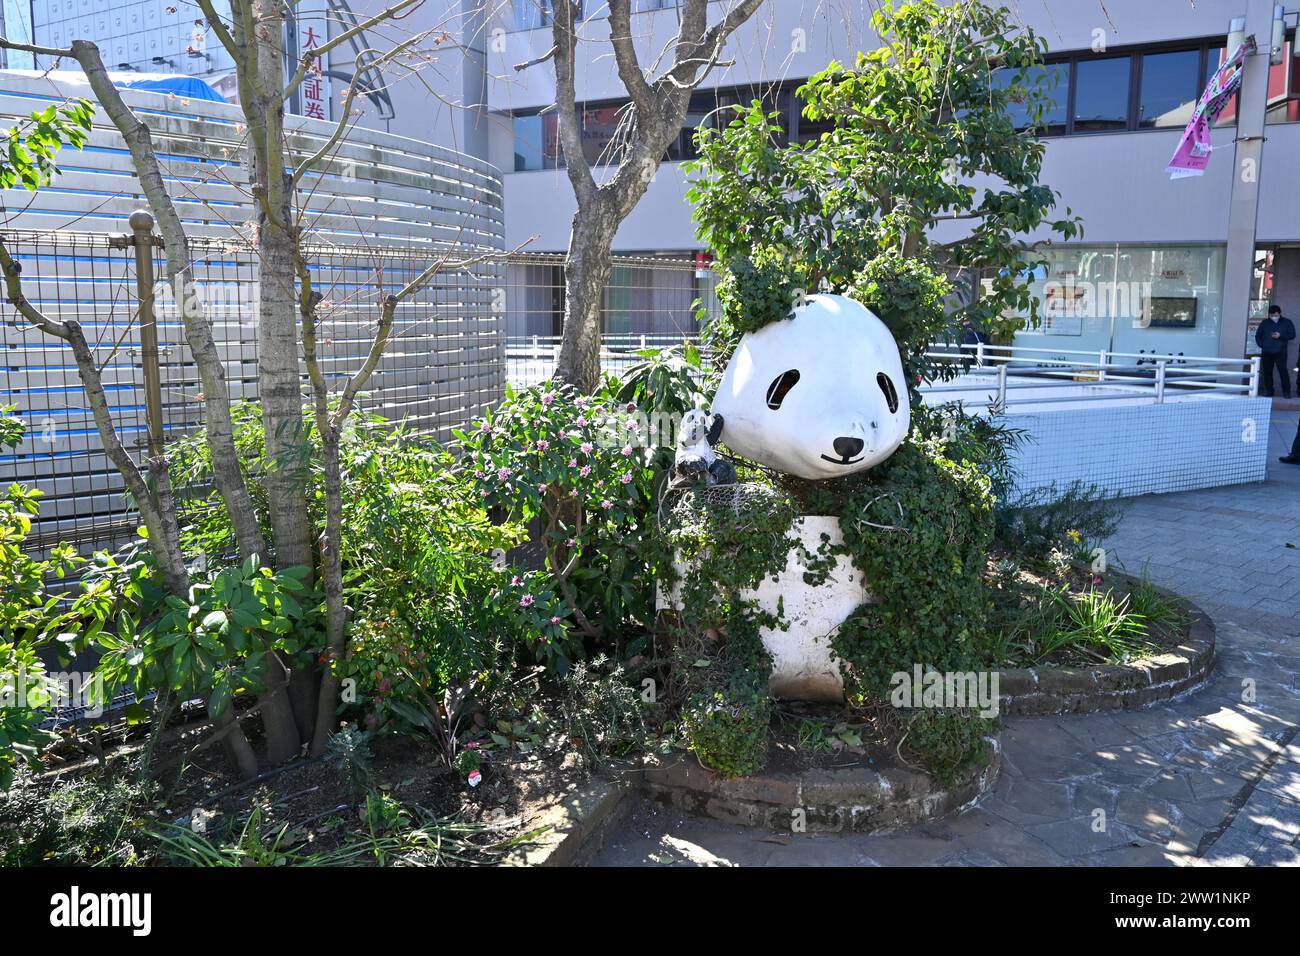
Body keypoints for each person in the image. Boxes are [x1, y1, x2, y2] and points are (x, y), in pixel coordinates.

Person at [1255, 304, 1295, 399]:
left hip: (1281, 352)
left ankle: (1286, 392)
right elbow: (1258, 336)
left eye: (1275, 315)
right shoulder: (1265, 323)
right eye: (1272, 315)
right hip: (1266, 352)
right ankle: (1269, 391)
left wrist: (1280, 336)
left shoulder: (1287, 322)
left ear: (1279, 313)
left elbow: (1292, 335)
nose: (1274, 317)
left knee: (1283, 372)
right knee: (1267, 372)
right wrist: (1262, 345)